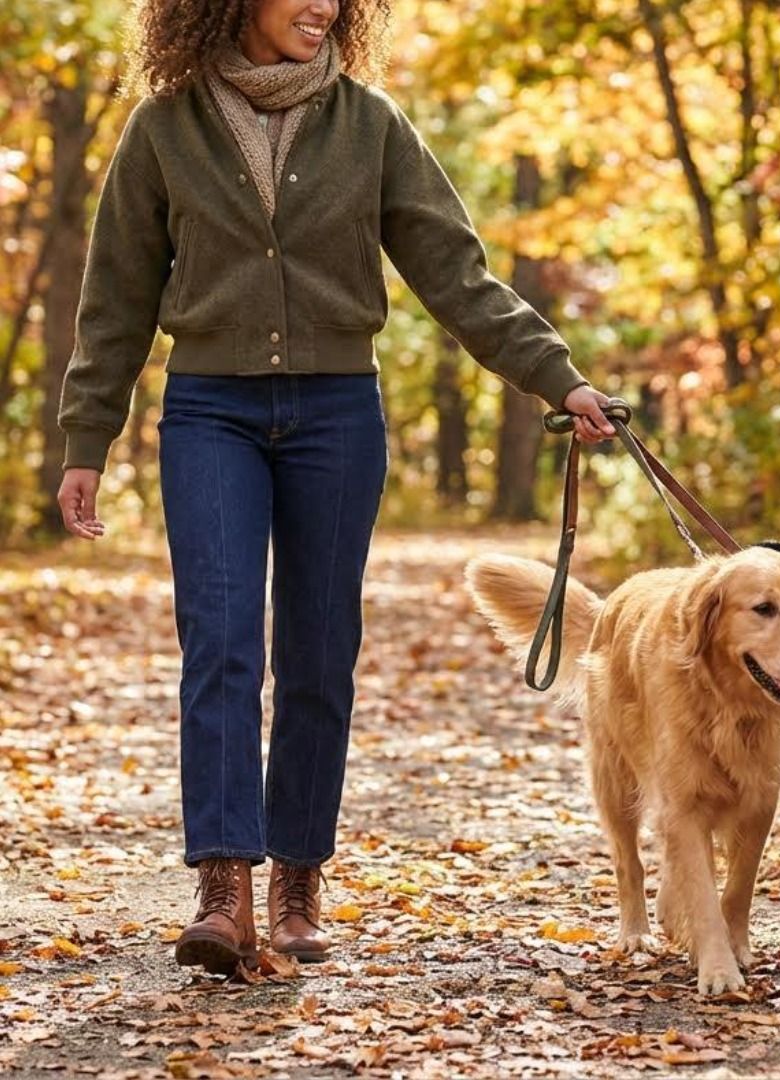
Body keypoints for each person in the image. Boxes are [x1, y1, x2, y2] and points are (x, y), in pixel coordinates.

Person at [55, 0, 616, 976]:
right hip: (210, 411)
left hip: (337, 415)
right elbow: (116, 297)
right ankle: (223, 888)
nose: (325, 6)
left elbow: (456, 273)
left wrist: (555, 377)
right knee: (220, 639)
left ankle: (297, 881)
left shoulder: (371, 124)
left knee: (320, 649)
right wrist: (86, 438)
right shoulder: (165, 126)